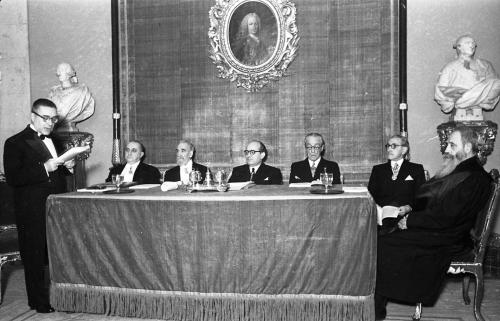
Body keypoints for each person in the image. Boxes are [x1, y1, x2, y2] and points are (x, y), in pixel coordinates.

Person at [375, 127, 492, 320]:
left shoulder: (474, 177)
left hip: (450, 239)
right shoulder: (462, 170)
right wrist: (411, 211)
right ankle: (378, 301)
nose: (447, 149)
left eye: (453, 145)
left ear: (468, 147)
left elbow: (447, 216)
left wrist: (410, 221)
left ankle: (377, 308)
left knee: (385, 243)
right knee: (386, 235)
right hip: (443, 230)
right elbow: (437, 204)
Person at [3, 98, 76, 313]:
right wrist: (44, 167)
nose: (50, 123)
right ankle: (37, 301)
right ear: (32, 116)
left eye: (53, 119)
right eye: (45, 118)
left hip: (56, 205)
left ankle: (60, 296)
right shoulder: (14, 142)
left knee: (57, 253)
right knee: (34, 257)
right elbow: (13, 177)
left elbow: (57, 172)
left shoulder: (56, 139)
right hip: (31, 209)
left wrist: (68, 167)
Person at [434, 35, 500, 121]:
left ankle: (476, 98)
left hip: (482, 99)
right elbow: (441, 89)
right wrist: (447, 101)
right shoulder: (450, 67)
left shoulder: (484, 65)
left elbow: (495, 84)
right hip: (460, 99)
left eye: (473, 43)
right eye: (467, 43)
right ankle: (469, 99)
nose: (471, 45)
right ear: (459, 47)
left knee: (496, 83)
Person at [368, 135, 426, 230]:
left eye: (394, 146)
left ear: (404, 150)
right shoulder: (378, 170)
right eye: (388, 146)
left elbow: (422, 197)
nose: (389, 149)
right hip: (382, 221)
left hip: (406, 219)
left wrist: (409, 207)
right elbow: (371, 196)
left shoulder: (416, 169)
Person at [48, 62, 95, 131]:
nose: (60, 73)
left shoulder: (81, 92)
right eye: (59, 70)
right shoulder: (54, 91)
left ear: (69, 74)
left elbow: (88, 110)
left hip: (70, 130)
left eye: (62, 70)